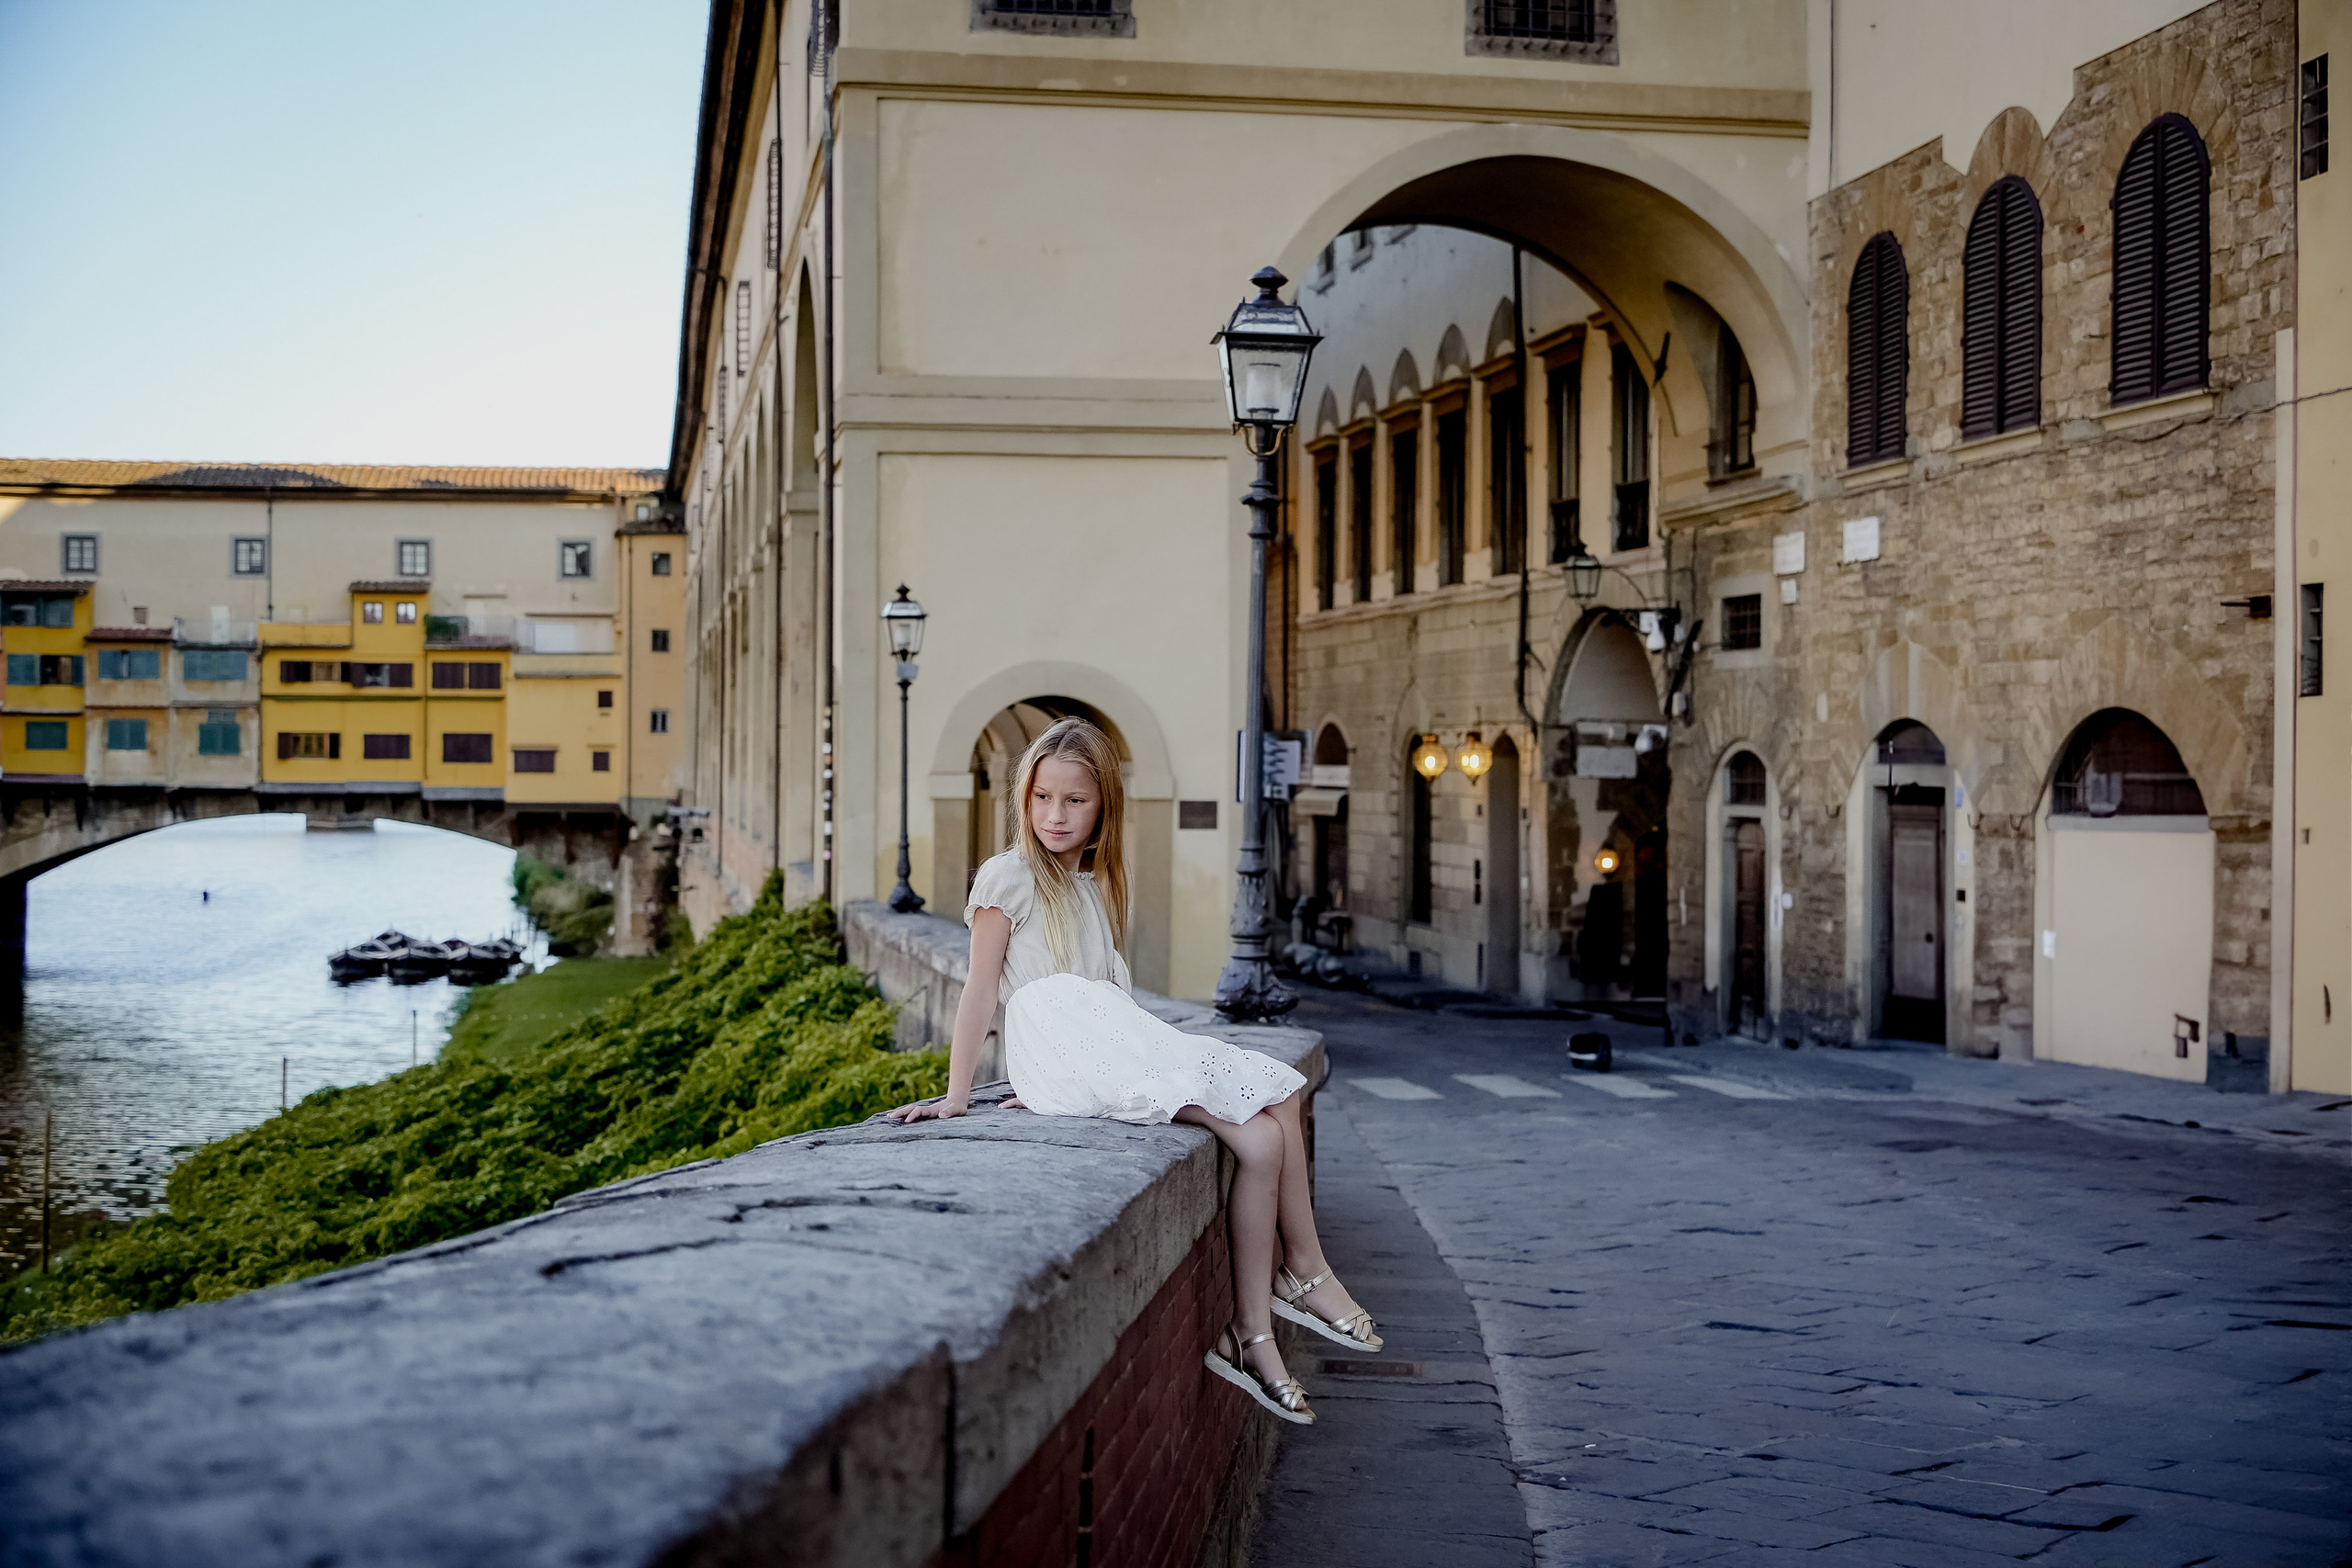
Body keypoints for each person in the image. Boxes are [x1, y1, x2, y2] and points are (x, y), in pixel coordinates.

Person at [887, 716, 1377, 1426]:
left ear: (1103, 806)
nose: (1056, 815)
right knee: (1259, 1129)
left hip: (1095, 1040)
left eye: (1075, 801)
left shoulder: (1090, 887)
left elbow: (1108, 1002)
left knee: (1277, 1105)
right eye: (1043, 798)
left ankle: (1262, 1318)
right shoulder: (1007, 876)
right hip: (1059, 1041)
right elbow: (981, 988)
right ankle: (1294, 1286)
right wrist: (960, 1094)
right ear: (1024, 800)